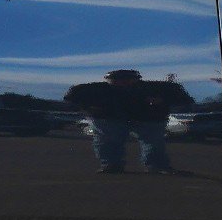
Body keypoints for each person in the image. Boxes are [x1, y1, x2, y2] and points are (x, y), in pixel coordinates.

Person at [64, 68, 193, 173]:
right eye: (117, 80)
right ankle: (111, 165)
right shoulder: (94, 90)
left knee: (154, 141)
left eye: (128, 80)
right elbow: (71, 99)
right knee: (107, 140)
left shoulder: (158, 88)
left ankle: (157, 166)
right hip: (110, 118)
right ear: (108, 80)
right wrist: (89, 108)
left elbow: (185, 100)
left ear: (137, 79)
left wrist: (162, 101)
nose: (123, 83)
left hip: (148, 118)